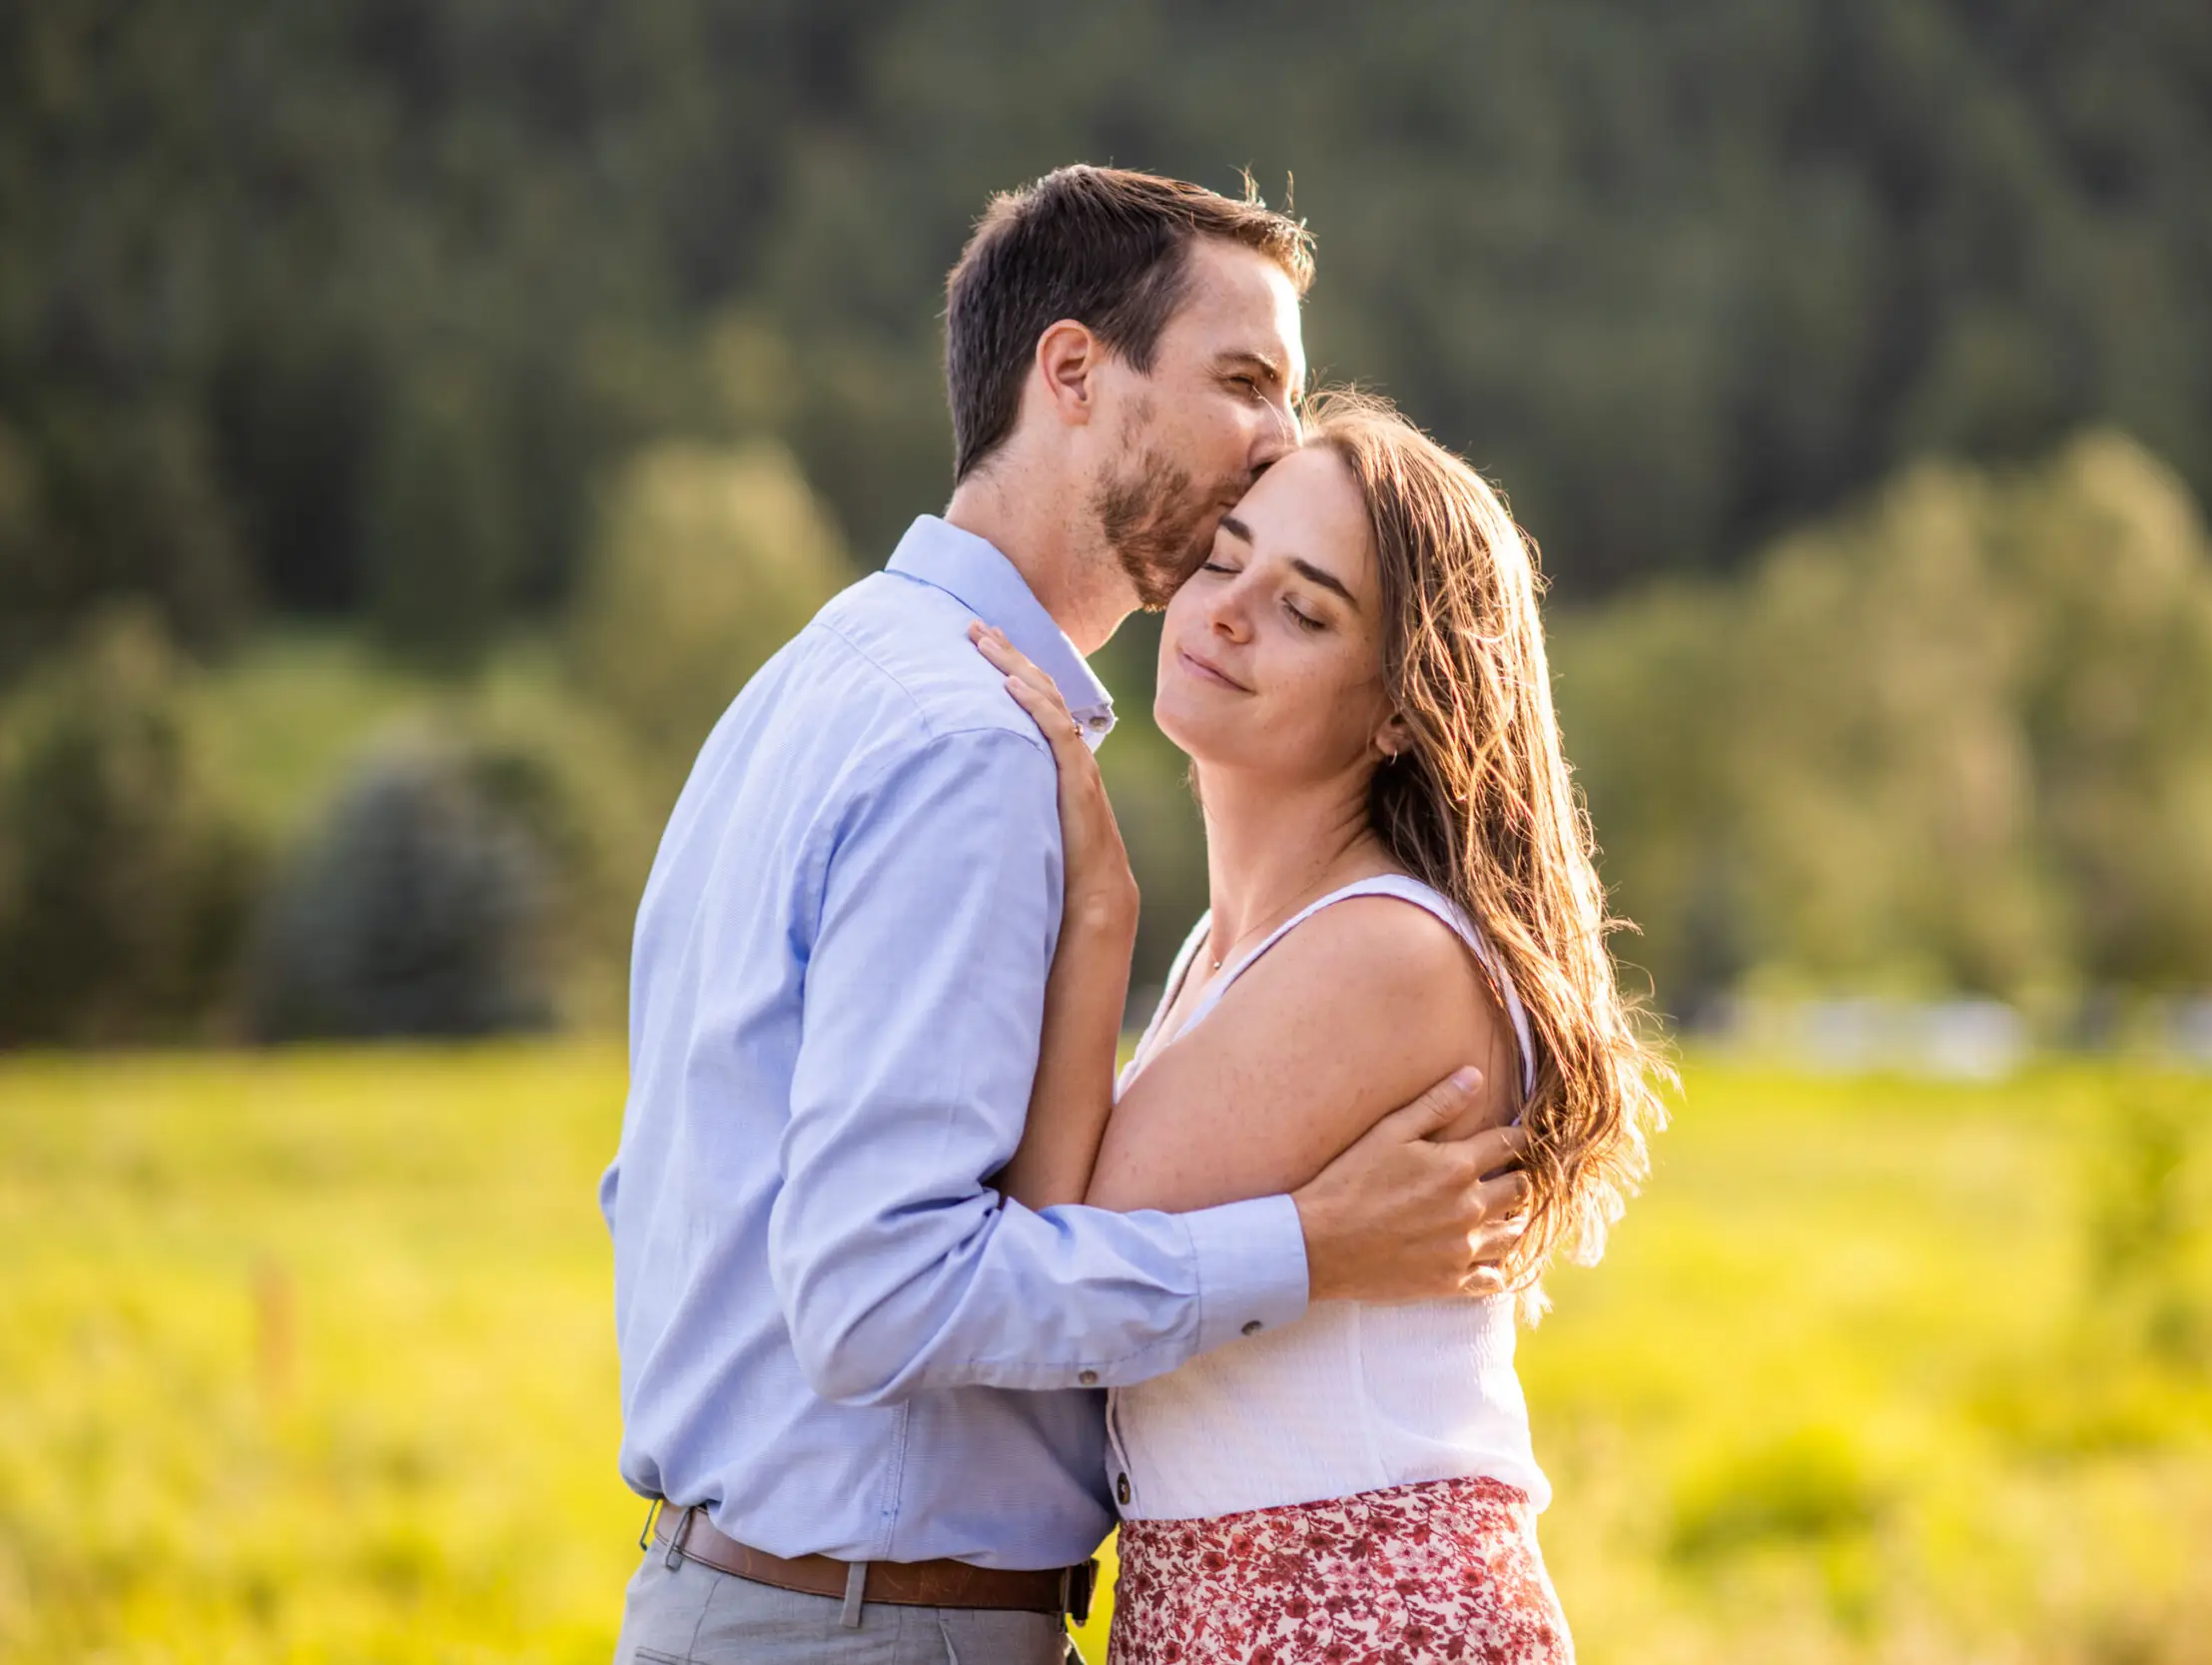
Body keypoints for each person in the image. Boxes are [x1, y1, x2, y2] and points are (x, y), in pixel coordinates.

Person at [601, 167, 1532, 1665]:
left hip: (745, 1589)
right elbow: (881, 1291)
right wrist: (1307, 1243)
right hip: (870, 1619)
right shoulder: (968, 744)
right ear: (1076, 374)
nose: (1283, 442)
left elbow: (658, 1181)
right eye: (1246, 381)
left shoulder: (819, 677)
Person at [975, 390, 1665, 1662]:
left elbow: (1059, 1264)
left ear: (1403, 705)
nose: (1228, 609)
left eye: (1304, 606)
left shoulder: (1386, 950)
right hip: (1235, 1599)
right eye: (1223, 559)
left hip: (1355, 1602)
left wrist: (1095, 903)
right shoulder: (1232, 945)